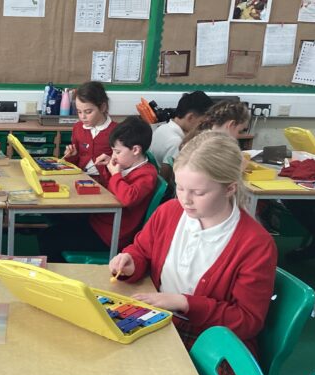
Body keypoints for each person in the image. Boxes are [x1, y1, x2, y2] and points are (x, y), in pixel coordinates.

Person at [109, 131, 277, 356]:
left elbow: (247, 321)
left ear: (230, 188)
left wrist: (184, 303)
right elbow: (141, 251)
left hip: (210, 340)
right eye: (179, 188)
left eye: (198, 192)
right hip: (161, 320)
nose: (185, 199)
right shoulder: (169, 212)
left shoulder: (256, 244)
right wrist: (131, 262)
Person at [41, 116, 157, 261]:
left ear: (135, 150)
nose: (114, 156)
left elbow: (128, 198)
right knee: (55, 216)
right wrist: (108, 167)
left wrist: (115, 174)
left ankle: (58, 273)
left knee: (48, 239)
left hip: (111, 234)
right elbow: (111, 188)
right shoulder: (127, 165)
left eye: (117, 152)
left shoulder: (147, 174)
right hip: (100, 222)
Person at [149, 90, 213, 184]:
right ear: (190, 117)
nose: (202, 127)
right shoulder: (177, 142)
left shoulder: (162, 128)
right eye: (202, 122)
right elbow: (164, 180)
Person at [62, 81, 117, 186]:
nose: (83, 117)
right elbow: (74, 163)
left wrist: (112, 161)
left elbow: (124, 165)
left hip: (106, 183)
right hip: (80, 178)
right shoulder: (78, 128)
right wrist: (71, 156)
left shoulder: (117, 131)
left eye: (88, 112)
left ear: (102, 107)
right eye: (79, 112)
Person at [181, 100, 250, 148]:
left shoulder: (199, 136)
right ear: (232, 124)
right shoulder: (215, 146)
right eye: (240, 131)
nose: (238, 136)